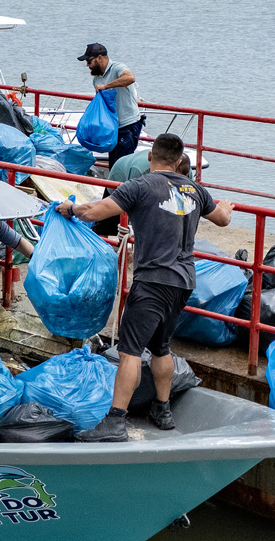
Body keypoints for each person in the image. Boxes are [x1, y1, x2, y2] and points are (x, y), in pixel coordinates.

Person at [56, 133, 234, 441]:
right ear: (180, 162)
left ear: (150, 157)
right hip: (183, 281)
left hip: (152, 280)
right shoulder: (196, 190)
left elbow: (95, 212)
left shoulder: (139, 186)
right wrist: (227, 206)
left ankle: (114, 423)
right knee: (161, 346)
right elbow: (222, 219)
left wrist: (70, 209)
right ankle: (162, 410)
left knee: (130, 351)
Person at [78, 43, 143, 163]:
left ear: (99, 58)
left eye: (89, 61)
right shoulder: (96, 79)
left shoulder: (117, 68)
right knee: (113, 163)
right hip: (112, 128)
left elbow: (130, 78)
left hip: (127, 125)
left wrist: (107, 86)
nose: (87, 65)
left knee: (121, 165)